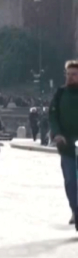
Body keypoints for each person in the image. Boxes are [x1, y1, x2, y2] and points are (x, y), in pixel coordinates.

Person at [50, 60, 78, 228]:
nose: (70, 78)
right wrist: (57, 133)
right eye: (68, 75)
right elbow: (53, 115)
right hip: (66, 144)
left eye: (74, 75)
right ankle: (75, 210)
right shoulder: (60, 94)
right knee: (70, 180)